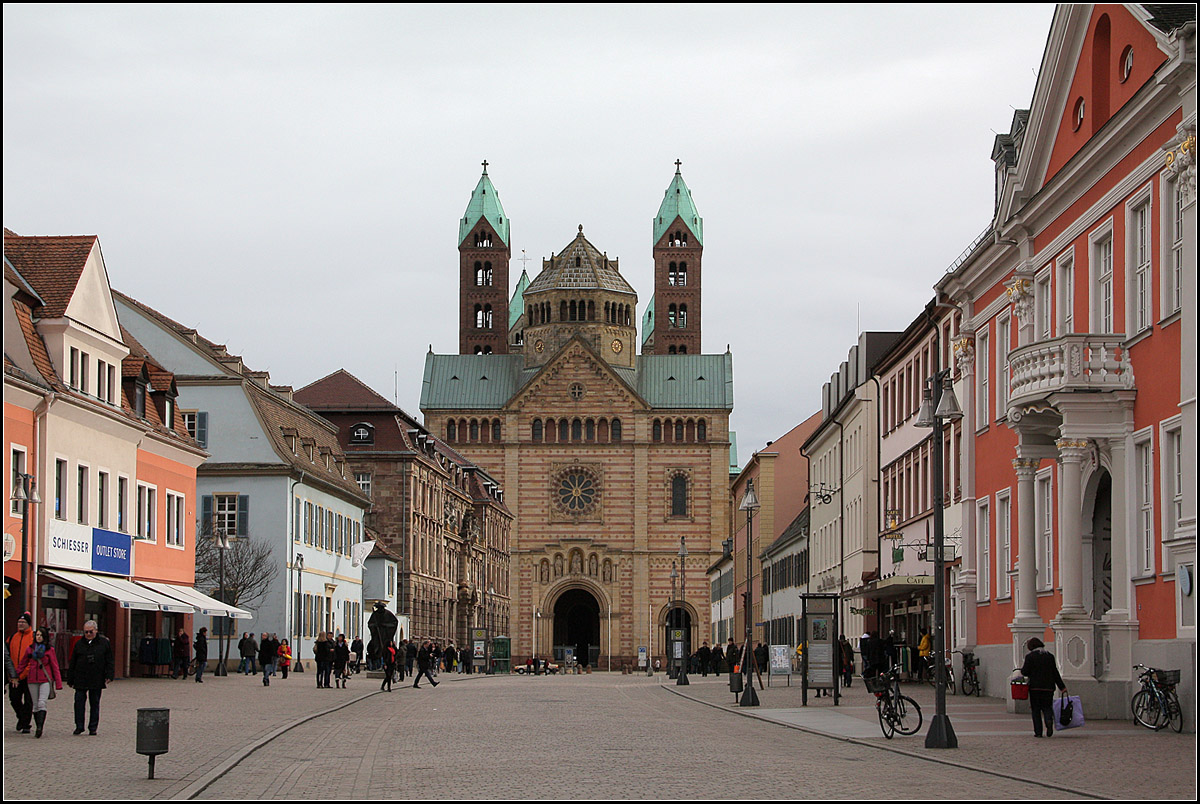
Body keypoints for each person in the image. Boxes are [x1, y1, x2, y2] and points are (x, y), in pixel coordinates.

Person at [67, 620, 113, 735]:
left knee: (95, 703)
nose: (88, 634)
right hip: (80, 677)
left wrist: (109, 675)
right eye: (86, 632)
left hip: (96, 677)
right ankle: (79, 726)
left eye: (90, 632)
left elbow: (109, 660)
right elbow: (73, 662)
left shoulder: (104, 643)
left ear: (96, 631)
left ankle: (93, 727)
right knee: (78, 702)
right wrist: (70, 678)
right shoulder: (79, 644)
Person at [17, 626, 62, 738]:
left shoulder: (49, 650)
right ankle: (38, 726)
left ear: (45, 637)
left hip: (45, 679)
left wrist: (58, 683)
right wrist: (15, 675)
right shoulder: (30, 649)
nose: (38, 637)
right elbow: (22, 664)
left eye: (41, 635)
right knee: (35, 705)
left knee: (42, 702)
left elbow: (55, 666)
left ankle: (40, 727)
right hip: (32, 679)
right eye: (37, 635)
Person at [1020, 637, 1067, 738]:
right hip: (1048, 687)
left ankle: (1038, 732)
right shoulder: (1050, 656)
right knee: (1047, 707)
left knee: (1036, 710)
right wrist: (1062, 687)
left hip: (1034, 688)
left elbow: (1025, 671)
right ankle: (1048, 720)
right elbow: (1055, 673)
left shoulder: (1030, 657)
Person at [7, 611, 35, 733]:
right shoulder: (12, 637)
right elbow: (7, 657)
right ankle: (22, 718)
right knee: (14, 698)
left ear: (28, 624)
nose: (20, 624)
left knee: (29, 701)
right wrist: (12, 674)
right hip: (14, 676)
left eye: (23, 622)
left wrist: (23, 674)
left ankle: (25, 724)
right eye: (19, 622)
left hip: (29, 675)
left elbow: (33, 659)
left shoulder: (33, 637)